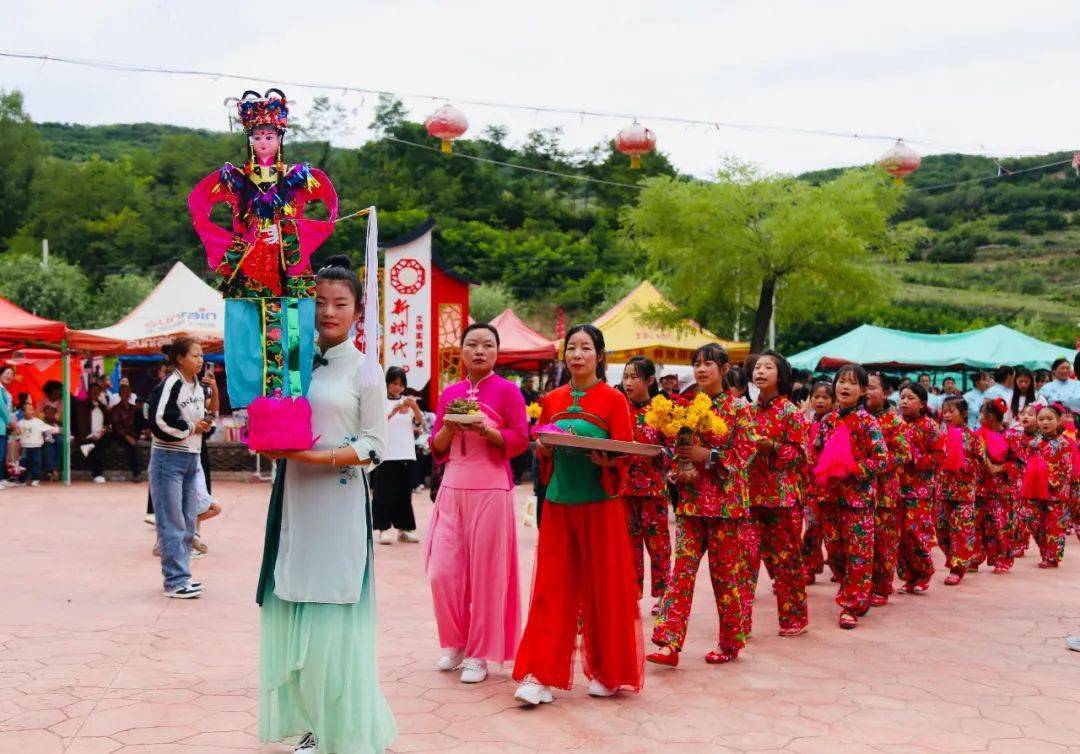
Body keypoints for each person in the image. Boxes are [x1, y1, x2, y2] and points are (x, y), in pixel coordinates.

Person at [255, 255, 397, 753]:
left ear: (358, 312)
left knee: (332, 614)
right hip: (295, 498)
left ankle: (341, 728)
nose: (329, 312)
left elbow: (375, 447)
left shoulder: (367, 371)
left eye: (340, 303)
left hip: (337, 504)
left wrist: (316, 457)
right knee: (294, 599)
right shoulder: (292, 365)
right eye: (319, 303)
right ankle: (314, 722)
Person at [512, 324, 642, 706]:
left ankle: (608, 671)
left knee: (605, 587)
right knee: (552, 588)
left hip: (599, 505)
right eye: (572, 348)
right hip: (558, 502)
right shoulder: (552, 399)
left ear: (599, 356)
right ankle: (541, 674)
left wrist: (607, 461)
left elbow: (625, 455)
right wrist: (546, 449)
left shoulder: (613, 400)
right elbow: (543, 450)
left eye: (586, 348)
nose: (577, 355)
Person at [426, 322, 528, 685]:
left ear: (497, 353)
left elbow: (520, 441)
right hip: (452, 488)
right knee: (442, 572)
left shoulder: (508, 393)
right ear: (462, 351)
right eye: (472, 344)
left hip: (491, 490)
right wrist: (451, 427)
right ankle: (455, 641)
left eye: (487, 345)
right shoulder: (449, 392)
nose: (479, 351)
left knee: (487, 575)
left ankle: (480, 653)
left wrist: (488, 430)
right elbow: (436, 448)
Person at [647, 343, 756, 665]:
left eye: (708, 363)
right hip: (691, 506)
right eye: (697, 364)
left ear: (724, 369)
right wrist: (677, 468)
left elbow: (745, 454)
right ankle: (668, 643)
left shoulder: (740, 410)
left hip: (726, 508)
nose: (701, 369)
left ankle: (730, 643)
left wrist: (707, 457)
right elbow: (675, 453)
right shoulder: (683, 410)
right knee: (680, 574)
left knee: (726, 577)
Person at [812, 365, 887, 630]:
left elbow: (881, 459)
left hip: (858, 500)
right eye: (841, 382)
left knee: (858, 553)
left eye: (852, 383)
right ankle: (852, 591)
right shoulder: (826, 422)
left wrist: (854, 469)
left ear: (863, 390)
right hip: (830, 498)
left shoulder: (869, 422)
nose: (845, 387)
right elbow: (816, 453)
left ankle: (851, 604)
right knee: (835, 553)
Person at [744, 350, 809, 637]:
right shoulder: (745, 412)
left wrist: (772, 448)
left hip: (782, 499)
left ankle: (794, 618)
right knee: (744, 563)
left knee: (787, 561)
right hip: (748, 497)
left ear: (780, 375)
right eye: (757, 367)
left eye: (767, 367)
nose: (760, 371)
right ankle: (738, 626)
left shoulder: (791, 413)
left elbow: (798, 455)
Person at [147, 336, 216, 599]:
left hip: (190, 458)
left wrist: (204, 424)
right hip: (168, 458)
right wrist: (190, 428)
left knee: (188, 521)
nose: (200, 360)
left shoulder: (198, 387)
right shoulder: (171, 384)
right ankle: (174, 581)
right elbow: (158, 420)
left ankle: (182, 576)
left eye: (201, 356)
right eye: (194, 355)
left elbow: (201, 418)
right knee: (171, 521)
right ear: (179, 359)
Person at [619, 356, 672, 616]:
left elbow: (675, 450)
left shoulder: (663, 411)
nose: (628, 382)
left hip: (653, 490)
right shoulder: (619, 409)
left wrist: (657, 453)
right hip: (625, 490)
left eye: (634, 377)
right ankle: (631, 595)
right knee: (629, 546)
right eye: (625, 377)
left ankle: (663, 595)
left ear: (650, 380)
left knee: (658, 545)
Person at [865, 372, 911, 606]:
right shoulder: (854, 418)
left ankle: (881, 587)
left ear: (886, 392)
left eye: (871, 387)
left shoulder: (894, 422)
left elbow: (904, 454)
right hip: (857, 492)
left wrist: (875, 463)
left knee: (883, 543)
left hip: (884, 493)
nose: (866, 391)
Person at [896, 383, 943, 593]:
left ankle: (924, 572)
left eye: (910, 398)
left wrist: (916, 458)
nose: (904, 401)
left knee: (915, 533)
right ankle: (908, 575)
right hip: (896, 489)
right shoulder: (895, 424)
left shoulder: (930, 426)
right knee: (899, 536)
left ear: (923, 403)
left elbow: (940, 457)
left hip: (920, 490)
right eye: (902, 397)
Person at [936, 397, 985, 586]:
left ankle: (957, 568)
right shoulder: (940, 436)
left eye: (951, 411)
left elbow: (981, 464)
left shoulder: (972, 437)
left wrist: (963, 464)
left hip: (964, 494)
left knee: (961, 531)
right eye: (944, 411)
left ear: (964, 414)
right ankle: (956, 559)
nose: (947, 415)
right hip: (942, 491)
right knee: (941, 531)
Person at [371, 367, 422, 544]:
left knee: (403, 495)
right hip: (385, 455)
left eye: (401, 384)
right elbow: (377, 424)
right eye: (394, 383)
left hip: (405, 454)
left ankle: (404, 529)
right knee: (382, 494)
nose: (397, 387)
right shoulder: (380, 402)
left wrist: (414, 407)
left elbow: (419, 422)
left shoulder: (409, 401)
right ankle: (382, 530)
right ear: (387, 383)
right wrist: (394, 411)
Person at [1021, 404, 1074, 568]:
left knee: (1054, 527)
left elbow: (1066, 469)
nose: (1045, 422)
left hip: (1056, 494)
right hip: (1035, 490)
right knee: (1031, 519)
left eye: (1050, 419)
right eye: (1041, 419)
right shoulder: (1034, 444)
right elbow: (1027, 464)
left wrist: (1050, 480)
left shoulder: (1063, 444)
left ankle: (1052, 557)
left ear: (1058, 422)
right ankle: (1045, 551)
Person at [973, 398, 1019, 574]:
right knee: (976, 525)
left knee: (1002, 526)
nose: (979, 418)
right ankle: (975, 558)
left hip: (1002, 491)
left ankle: (1003, 559)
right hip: (979, 489)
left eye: (981, 414)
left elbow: (1020, 463)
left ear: (990, 417)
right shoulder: (977, 436)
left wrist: (1001, 467)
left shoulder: (1012, 436)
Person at [802, 381, 835, 584]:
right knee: (812, 527)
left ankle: (839, 568)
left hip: (832, 488)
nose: (820, 400)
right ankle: (810, 566)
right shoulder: (806, 425)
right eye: (816, 396)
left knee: (834, 532)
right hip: (811, 487)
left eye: (825, 397)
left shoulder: (838, 424)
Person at [15, 401, 59, 487]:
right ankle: (22, 480)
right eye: (29, 409)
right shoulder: (20, 423)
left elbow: (48, 428)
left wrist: (57, 430)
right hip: (24, 447)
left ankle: (35, 479)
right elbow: (17, 434)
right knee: (23, 463)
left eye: (32, 409)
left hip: (36, 447)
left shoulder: (38, 422)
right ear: (23, 412)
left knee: (36, 463)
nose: (32, 411)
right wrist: (17, 433)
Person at [75, 383, 109, 484]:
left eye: (97, 391)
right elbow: (80, 423)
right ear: (89, 392)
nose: (95, 392)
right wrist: (88, 436)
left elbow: (107, 422)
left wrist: (104, 430)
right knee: (95, 448)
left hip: (100, 435)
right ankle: (97, 474)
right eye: (93, 390)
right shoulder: (82, 406)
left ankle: (98, 473)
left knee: (100, 445)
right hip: (87, 435)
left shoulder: (102, 406)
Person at [110, 379, 142, 482]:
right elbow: (117, 427)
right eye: (124, 393)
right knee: (132, 447)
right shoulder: (115, 409)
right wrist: (128, 437)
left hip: (133, 434)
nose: (126, 395)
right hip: (121, 435)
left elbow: (139, 423)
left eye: (128, 393)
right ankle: (136, 474)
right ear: (120, 394)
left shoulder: (134, 408)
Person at [0, 365, 15, 489]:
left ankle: (2, 478)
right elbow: (2, 408)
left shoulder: (8, 394)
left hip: (3, 427)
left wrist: (11, 421)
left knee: (3, 454)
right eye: (7, 373)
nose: (9, 376)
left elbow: (9, 410)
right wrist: (9, 421)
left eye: (11, 374)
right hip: (3, 425)